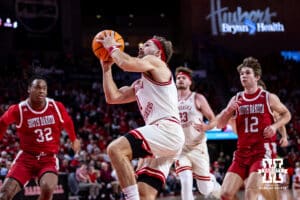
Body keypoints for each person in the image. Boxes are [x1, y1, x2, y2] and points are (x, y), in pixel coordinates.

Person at [96, 33, 185, 200]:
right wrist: (106, 69)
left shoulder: (157, 63)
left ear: (158, 53)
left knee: (115, 149)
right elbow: (113, 97)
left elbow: (126, 63)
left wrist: (112, 46)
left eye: (148, 45)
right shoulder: (139, 84)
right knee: (144, 193)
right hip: (165, 139)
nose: (142, 47)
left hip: (166, 129)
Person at [216, 57, 291, 200]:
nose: (243, 76)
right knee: (225, 194)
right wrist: (227, 112)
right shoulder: (235, 99)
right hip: (242, 153)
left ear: (257, 77)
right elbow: (219, 125)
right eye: (241, 74)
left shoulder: (268, 97)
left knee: (252, 192)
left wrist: (276, 128)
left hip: (263, 151)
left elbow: (286, 114)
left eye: (247, 73)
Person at [0, 76, 81, 200]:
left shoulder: (56, 106)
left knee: (48, 188)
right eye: (38, 87)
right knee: (4, 194)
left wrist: (73, 139)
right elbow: (3, 121)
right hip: (26, 158)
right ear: (29, 89)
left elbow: (68, 122)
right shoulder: (19, 110)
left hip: (48, 159)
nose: (42, 91)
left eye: (44, 88)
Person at [174, 66, 221, 199]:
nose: (180, 80)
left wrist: (206, 127)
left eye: (183, 78)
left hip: (197, 147)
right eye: (178, 78)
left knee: (204, 189)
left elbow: (213, 119)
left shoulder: (197, 98)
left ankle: (211, 180)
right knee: (186, 180)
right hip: (181, 148)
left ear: (190, 82)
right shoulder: (171, 100)